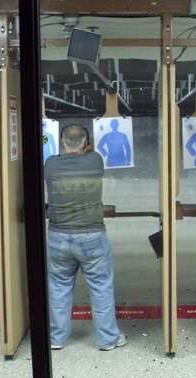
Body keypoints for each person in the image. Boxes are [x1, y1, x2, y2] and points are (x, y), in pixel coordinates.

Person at [45, 124, 126, 351]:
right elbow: (89, 152)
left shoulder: (50, 164)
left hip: (58, 235)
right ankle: (108, 339)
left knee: (59, 287)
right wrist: (87, 148)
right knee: (101, 287)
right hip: (92, 234)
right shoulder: (95, 160)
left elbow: (64, 154)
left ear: (61, 142)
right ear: (87, 144)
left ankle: (56, 338)